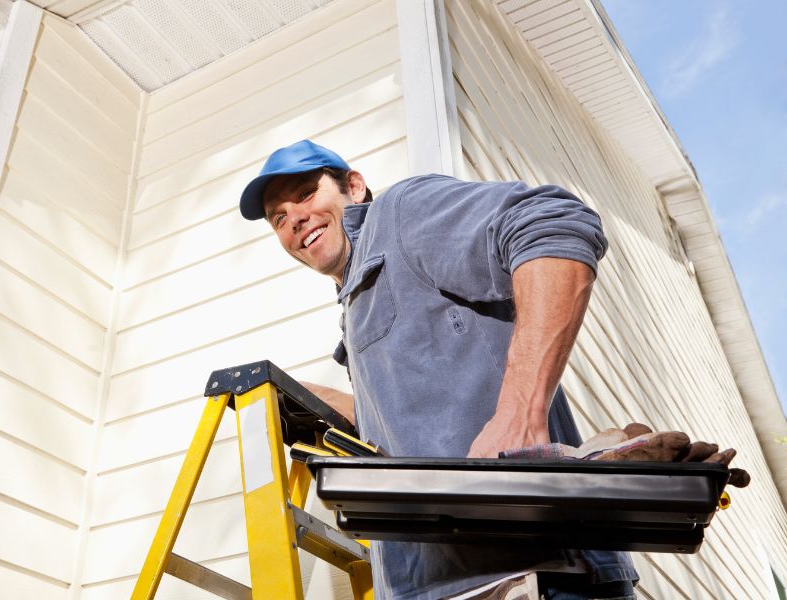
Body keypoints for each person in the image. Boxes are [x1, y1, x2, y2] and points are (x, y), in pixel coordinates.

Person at [239, 140, 639, 600]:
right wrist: (332, 404)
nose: (296, 220)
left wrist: (519, 412)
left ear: (353, 186)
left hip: (529, 575)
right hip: (437, 587)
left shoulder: (399, 216)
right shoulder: (357, 303)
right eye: (279, 218)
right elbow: (419, 423)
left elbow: (553, 222)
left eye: (306, 194)